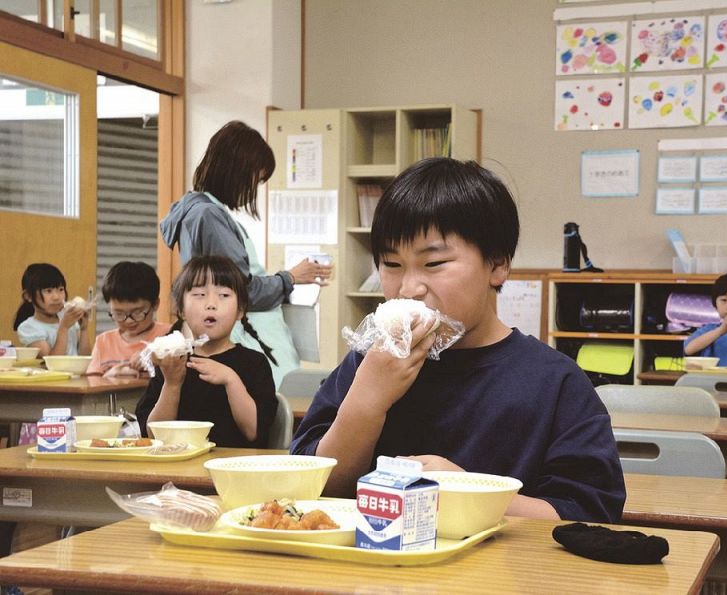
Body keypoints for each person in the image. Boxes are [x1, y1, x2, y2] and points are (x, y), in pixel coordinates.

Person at [291, 158, 625, 523]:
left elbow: (591, 513)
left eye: (433, 264)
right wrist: (366, 401)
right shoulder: (369, 363)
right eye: (391, 264)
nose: (408, 288)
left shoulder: (554, 381)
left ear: (497, 264)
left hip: (506, 576)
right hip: (376, 572)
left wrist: (465, 492)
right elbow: (313, 490)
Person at [160, 121, 333, 388]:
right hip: (250, 340)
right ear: (238, 171)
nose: (255, 188)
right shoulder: (209, 217)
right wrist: (289, 278)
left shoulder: (200, 212)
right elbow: (241, 289)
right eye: (256, 179)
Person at [135, 255, 277, 448]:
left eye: (224, 295)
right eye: (199, 295)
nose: (211, 303)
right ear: (182, 310)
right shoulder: (172, 361)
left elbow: (253, 432)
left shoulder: (254, 363)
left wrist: (231, 380)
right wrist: (172, 384)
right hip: (179, 471)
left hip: (234, 471)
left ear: (240, 311)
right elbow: (152, 436)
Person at [87, 261, 172, 376]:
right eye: (119, 313)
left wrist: (155, 358)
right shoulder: (104, 342)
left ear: (155, 304)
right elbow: (92, 384)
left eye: (137, 312)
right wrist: (110, 376)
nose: (129, 320)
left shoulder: (170, 335)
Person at [13, 263, 91, 356]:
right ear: (28, 296)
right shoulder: (28, 328)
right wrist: (63, 328)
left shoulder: (68, 319)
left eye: (61, 289)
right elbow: (52, 362)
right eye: (48, 291)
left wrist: (84, 329)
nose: (56, 297)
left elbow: (85, 358)